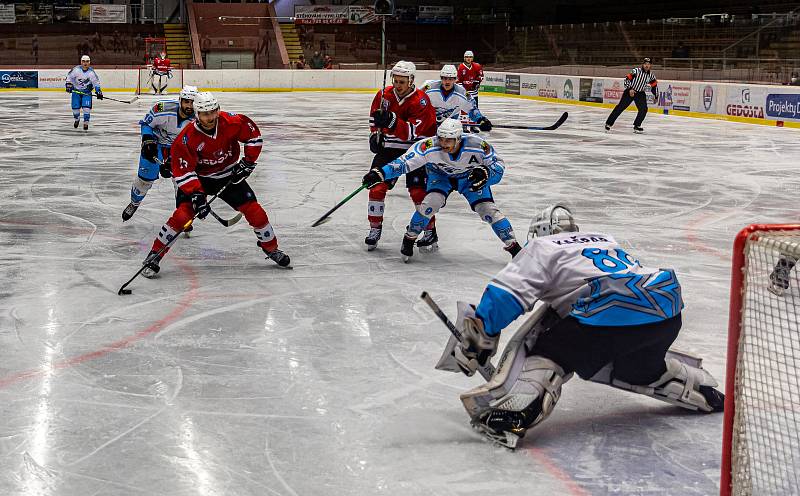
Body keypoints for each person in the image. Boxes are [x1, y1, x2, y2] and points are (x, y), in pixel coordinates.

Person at [436, 205, 724, 448]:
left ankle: (513, 416)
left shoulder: (541, 246)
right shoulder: (603, 240)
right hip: (664, 311)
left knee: (548, 353)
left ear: (541, 232)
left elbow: (506, 295)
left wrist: (481, 334)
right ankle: (702, 390)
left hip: (609, 314)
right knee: (637, 370)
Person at [140, 92, 290, 277]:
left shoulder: (232, 122)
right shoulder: (186, 138)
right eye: (204, 113)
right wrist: (196, 194)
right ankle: (155, 254)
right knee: (182, 217)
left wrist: (248, 162)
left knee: (256, 212)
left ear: (218, 110)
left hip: (228, 176)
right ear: (197, 114)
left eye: (213, 112)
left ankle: (271, 248)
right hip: (198, 179)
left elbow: (253, 137)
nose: (210, 117)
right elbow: (183, 170)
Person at [362, 119, 520, 261]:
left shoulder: (477, 145)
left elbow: (498, 167)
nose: (443, 143)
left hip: (468, 178)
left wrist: (486, 174)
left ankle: (514, 247)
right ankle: (409, 237)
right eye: (441, 139)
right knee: (430, 204)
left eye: (448, 140)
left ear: (458, 138)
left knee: (488, 210)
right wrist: (381, 173)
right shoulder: (428, 146)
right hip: (440, 177)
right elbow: (404, 163)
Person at [365, 60, 437, 251]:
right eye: (395, 81)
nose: (398, 85)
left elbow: (412, 133)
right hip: (389, 149)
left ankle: (430, 231)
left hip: (415, 151)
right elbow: (375, 118)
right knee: (376, 187)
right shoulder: (383, 95)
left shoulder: (421, 101)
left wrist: (391, 121)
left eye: (402, 82)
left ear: (411, 80)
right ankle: (375, 228)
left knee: (418, 193)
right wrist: (375, 135)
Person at [122, 85, 199, 222]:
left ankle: (183, 215)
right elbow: (146, 124)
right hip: (155, 145)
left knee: (182, 183)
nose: (189, 105)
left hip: (179, 150)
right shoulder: (162, 108)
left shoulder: (200, 118)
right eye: (186, 101)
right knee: (144, 180)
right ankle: (134, 203)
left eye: (192, 102)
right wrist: (147, 140)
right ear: (180, 100)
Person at [605, 57, 658, 134]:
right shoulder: (636, 71)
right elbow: (626, 80)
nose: (647, 65)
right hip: (629, 92)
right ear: (643, 65)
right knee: (620, 107)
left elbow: (654, 86)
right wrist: (630, 89)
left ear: (650, 66)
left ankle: (637, 125)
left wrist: (656, 96)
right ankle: (609, 123)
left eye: (648, 64)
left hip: (640, 93)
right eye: (645, 64)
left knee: (643, 109)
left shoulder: (651, 76)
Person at [65, 55, 103, 131]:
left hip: (87, 93)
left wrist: (98, 91)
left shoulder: (91, 73)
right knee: (75, 109)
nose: (85, 63)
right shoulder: (76, 70)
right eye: (83, 61)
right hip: (76, 92)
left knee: (86, 108)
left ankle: (86, 122)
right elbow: (69, 78)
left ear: (89, 62)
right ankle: (77, 119)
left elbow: (96, 82)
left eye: (87, 61)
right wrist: (68, 85)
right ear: (81, 62)